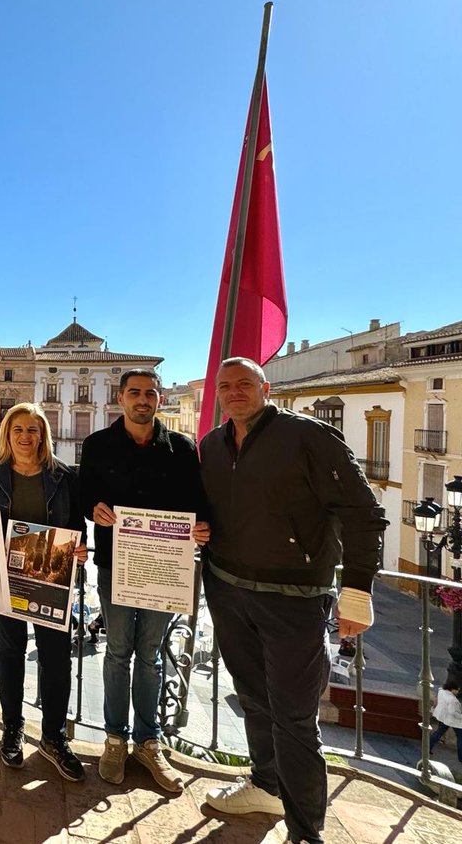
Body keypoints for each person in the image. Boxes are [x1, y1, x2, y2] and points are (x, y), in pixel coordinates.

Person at [200, 357, 385, 844]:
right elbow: (213, 509)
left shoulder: (308, 437)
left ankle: (306, 830)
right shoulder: (212, 445)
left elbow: (364, 514)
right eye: (225, 386)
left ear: (266, 388)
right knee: (254, 699)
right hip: (226, 587)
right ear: (217, 395)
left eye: (244, 383)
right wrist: (200, 527)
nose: (234, 392)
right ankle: (265, 785)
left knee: (296, 717)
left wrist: (358, 590)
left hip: (295, 598)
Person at [79, 368, 209, 793]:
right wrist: (94, 507)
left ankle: (148, 742)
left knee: (151, 655)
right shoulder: (97, 445)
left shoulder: (182, 448)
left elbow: (197, 504)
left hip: (162, 570)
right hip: (115, 566)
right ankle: (114, 739)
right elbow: (84, 495)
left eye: (150, 393)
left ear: (158, 399)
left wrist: (201, 527)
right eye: (135, 392)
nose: (143, 400)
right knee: (117, 653)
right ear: (121, 398)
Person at [0, 403, 88, 781]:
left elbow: (75, 525)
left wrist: (80, 548)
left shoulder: (64, 476)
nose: (26, 436)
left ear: (44, 435)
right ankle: (12, 728)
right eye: (18, 429)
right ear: (7, 432)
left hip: (52, 578)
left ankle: (53, 737)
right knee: (10, 651)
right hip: (7, 578)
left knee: (56, 658)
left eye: (33, 430)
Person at [429, 681, 462, 762]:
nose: (458, 692)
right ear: (452, 689)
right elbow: (453, 712)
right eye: (457, 690)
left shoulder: (441, 691)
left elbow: (437, 701)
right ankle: (461, 757)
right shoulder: (453, 700)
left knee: (438, 733)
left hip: (442, 717)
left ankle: (428, 747)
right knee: (460, 738)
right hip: (452, 721)